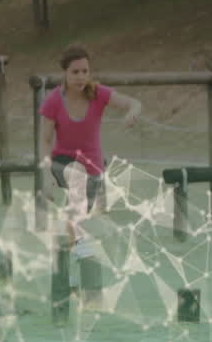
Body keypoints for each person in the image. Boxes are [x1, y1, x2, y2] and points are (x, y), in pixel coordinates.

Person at [39, 43, 142, 269]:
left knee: (83, 214)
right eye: (75, 72)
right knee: (77, 178)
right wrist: (46, 176)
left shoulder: (98, 94)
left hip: (94, 168)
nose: (80, 76)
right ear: (65, 73)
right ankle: (77, 242)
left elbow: (133, 103)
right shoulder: (54, 100)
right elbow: (45, 141)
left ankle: (69, 252)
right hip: (62, 162)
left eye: (85, 71)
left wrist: (133, 112)